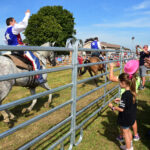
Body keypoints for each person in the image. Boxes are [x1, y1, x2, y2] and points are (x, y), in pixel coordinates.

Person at [4, 9, 46, 84]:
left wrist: (22, 43)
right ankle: (38, 78)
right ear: (11, 22)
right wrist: (27, 14)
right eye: (15, 21)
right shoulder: (13, 28)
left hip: (13, 51)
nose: (16, 22)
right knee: (35, 60)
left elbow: (7, 43)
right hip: (20, 49)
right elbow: (23, 25)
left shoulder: (6, 32)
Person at [109, 60, 140, 142]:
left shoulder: (125, 78)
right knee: (133, 119)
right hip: (132, 100)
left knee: (124, 121)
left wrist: (111, 67)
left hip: (125, 100)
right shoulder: (136, 78)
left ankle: (122, 136)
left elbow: (111, 78)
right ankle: (136, 135)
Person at [109, 73, 137, 150]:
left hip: (125, 118)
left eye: (119, 82)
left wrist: (113, 107)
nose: (119, 84)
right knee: (128, 131)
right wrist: (121, 100)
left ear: (123, 83)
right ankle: (130, 146)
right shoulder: (132, 92)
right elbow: (128, 103)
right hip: (131, 116)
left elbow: (121, 109)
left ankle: (128, 148)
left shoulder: (125, 94)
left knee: (125, 133)